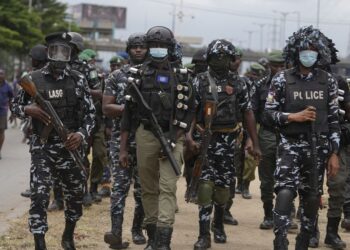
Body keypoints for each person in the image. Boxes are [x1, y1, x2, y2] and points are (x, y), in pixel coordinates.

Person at [11, 32, 95, 250]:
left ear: (70, 54)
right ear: (48, 52)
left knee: (75, 195)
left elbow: (90, 114)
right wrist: (28, 109)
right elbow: (15, 107)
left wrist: (81, 135)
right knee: (39, 195)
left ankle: (68, 236)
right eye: (54, 51)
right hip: (43, 147)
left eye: (63, 51)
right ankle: (39, 242)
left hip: (70, 148)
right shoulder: (34, 79)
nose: (59, 56)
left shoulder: (78, 78)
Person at [264, 26, 341, 250]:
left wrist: (334, 153)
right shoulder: (282, 79)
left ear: (320, 53)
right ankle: (280, 240)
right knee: (285, 192)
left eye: (313, 51)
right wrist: (292, 117)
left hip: (318, 148)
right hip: (290, 145)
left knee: (311, 198)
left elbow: (334, 120)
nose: (309, 54)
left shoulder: (328, 81)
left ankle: (303, 242)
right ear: (295, 52)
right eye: (304, 50)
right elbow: (268, 115)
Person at [120, 26, 195, 250]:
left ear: (170, 48)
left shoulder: (182, 76)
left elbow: (188, 112)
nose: (158, 50)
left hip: (173, 135)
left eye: (163, 46)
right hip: (145, 135)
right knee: (148, 188)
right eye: (154, 46)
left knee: (168, 186)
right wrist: (123, 148)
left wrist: (173, 138)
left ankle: (164, 240)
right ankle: (152, 237)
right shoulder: (137, 74)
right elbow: (128, 115)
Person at [191, 39, 261, 250]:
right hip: (206, 140)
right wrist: (189, 137)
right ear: (209, 59)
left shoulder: (240, 83)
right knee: (205, 186)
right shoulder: (199, 81)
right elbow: (192, 112)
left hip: (230, 141)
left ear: (231, 59)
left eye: (224, 57)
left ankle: (219, 224)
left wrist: (254, 142)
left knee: (223, 187)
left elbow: (248, 112)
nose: (219, 61)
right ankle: (204, 234)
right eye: (215, 57)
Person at [102, 33, 149, 249]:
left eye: (142, 47)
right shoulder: (116, 76)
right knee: (119, 189)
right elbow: (106, 107)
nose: (138, 50)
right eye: (135, 47)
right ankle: (116, 233)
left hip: (146, 140)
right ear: (129, 49)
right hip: (119, 142)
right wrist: (127, 110)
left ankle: (138, 229)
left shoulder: (153, 75)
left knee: (142, 190)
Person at [254, 50, 285, 230]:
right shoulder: (260, 85)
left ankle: (286, 213)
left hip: (289, 135)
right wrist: (253, 141)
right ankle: (268, 214)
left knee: (288, 177)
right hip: (266, 134)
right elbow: (252, 113)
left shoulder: (293, 85)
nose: (279, 69)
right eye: (275, 66)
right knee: (266, 179)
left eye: (282, 66)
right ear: (269, 66)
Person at [20, 44, 48, 199]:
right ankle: (35, 187)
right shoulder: (32, 78)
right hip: (38, 127)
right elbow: (18, 104)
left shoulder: (43, 76)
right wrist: (28, 110)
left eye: (32, 57)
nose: (31, 60)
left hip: (53, 129)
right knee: (36, 161)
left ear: (38, 59)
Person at [0, 69, 14, 160]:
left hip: (2, 112)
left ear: (4, 75)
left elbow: (12, 99)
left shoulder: (8, 87)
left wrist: (13, 113)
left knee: (1, 131)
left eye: (1, 74)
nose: (0, 75)